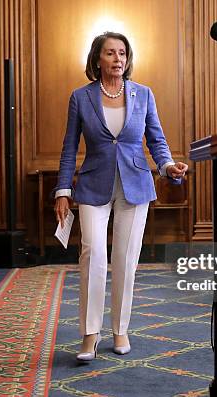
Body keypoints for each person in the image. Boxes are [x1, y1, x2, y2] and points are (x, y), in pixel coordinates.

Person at [52, 32, 188, 361]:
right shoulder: (80, 97)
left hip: (136, 184)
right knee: (93, 254)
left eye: (122, 53)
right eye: (110, 53)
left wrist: (167, 166)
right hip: (92, 185)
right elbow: (70, 147)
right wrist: (62, 190)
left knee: (126, 260)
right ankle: (89, 334)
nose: (118, 59)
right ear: (97, 59)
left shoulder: (143, 94)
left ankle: (120, 329)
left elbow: (156, 139)